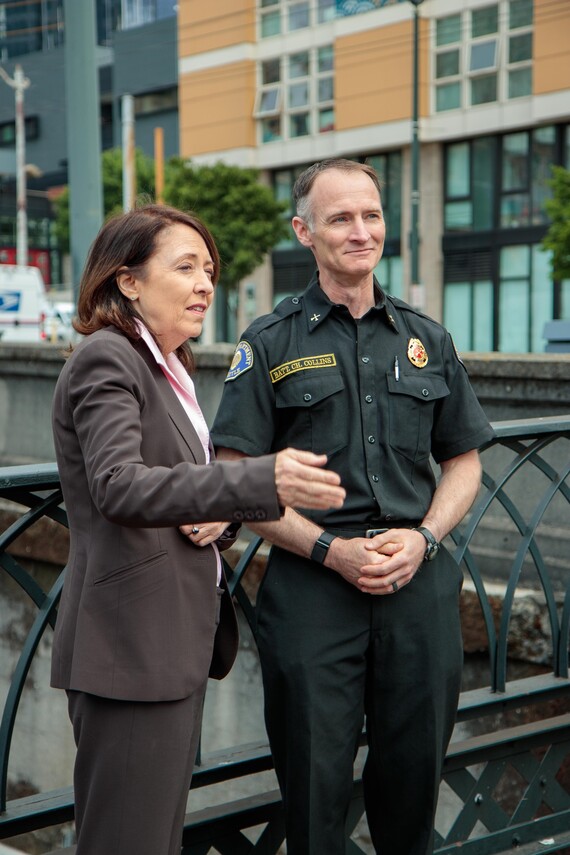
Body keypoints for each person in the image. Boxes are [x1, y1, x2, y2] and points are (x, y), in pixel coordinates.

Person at [210, 159, 495, 855]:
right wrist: (330, 549)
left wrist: (425, 536)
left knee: (413, 785)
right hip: (312, 586)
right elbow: (235, 475)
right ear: (304, 230)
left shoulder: (428, 338)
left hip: (416, 581)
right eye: (340, 218)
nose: (360, 230)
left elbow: (464, 459)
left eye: (371, 214)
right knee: (314, 792)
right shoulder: (268, 342)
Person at [50, 203, 345, 855]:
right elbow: (119, 484)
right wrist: (256, 481)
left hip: (166, 644)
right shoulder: (110, 358)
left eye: (208, 269)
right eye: (185, 266)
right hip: (129, 648)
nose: (206, 283)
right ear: (127, 280)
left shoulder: (166, 368)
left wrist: (223, 513)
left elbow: (185, 497)